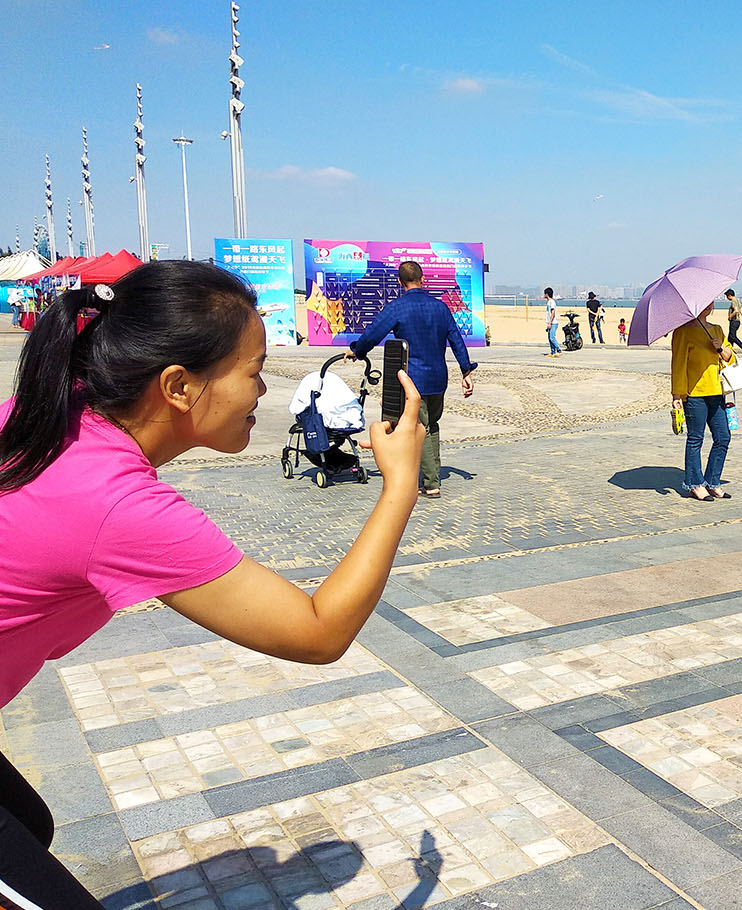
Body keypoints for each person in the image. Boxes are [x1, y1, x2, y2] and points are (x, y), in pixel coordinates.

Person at [0, 261, 425, 907]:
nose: (263, 391)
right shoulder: (114, 504)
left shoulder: (49, 414)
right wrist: (400, 487)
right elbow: (317, 633)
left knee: (31, 826)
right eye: (254, 371)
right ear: (178, 385)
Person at [348, 261, 476, 499]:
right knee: (431, 426)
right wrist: (466, 371)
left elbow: (373, 334)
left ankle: (430, 483)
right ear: (423, 279)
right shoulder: (440, 308)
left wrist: (357, 350)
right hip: (438, 378)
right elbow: (457, 340)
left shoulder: (397, 308)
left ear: (400, 282)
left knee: (421, 428)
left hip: (412, 380)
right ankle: (431, 476)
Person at [671, 304, 736, 501]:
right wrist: (677, 395)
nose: (709, 305)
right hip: (694, 395)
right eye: (705, 303)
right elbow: (678, 364)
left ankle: (712, 482)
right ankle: (695, 484)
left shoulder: (717, 330)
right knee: (695, 439)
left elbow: (731, 358)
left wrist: (721, 347)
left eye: (711, 302)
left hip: (717, 393)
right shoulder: (683, 332)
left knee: (723, 437)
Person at [725, 289, 742, 357]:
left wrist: (730, 316)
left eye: (727, 296)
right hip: (737, 321)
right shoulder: (737, 300)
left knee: (732, 337)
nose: (727, 298)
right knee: (730, 338)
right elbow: (741, 311)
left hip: (734, 321)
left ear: (729, 295)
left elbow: (736, 311)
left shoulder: (733, 301)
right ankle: (731, 352)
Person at [543, 287, 561, 357]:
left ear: (547, 294)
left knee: (552, 337)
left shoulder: (552, 302)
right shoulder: (548, 302)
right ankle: (552, 352)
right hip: (549, 323)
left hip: (553, 323)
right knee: (550, 338)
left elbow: (553, 313)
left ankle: (559, 350)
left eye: (545, 294)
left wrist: (550, 323)